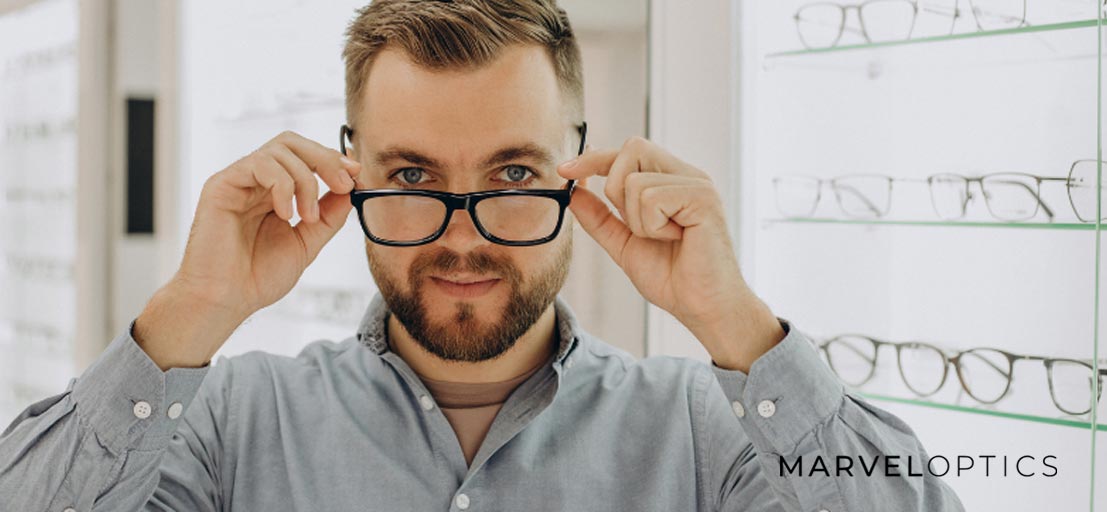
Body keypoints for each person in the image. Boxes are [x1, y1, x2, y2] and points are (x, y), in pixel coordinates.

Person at [0, 1, 964, 510]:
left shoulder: (703, 434)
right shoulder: (230, 425)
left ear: (571, 168)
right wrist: (190, 309)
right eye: (414, 176)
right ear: (352, 174)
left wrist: (738, 326)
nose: (462, 238)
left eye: (509, 174)